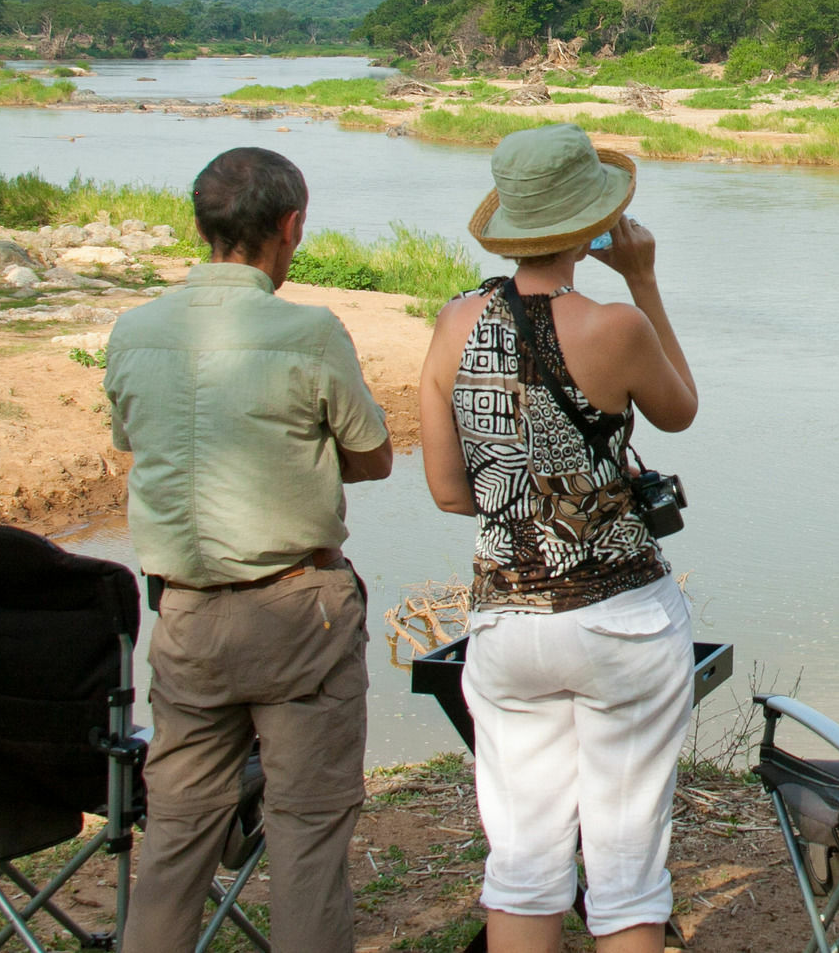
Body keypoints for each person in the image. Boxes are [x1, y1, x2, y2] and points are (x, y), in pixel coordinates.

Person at [418, 125, 699, 953]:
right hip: (623, 619)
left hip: (508, 620)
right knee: (626, 867)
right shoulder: (616, 325)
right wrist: (644, 280)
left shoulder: (452, 324)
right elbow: (679, 409)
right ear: (589, 228)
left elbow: (446, 491)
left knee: (525, 862)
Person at [105, 147, 393, 953]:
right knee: (307, 831)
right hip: (300, 613)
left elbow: (132, 436)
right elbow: (372, 455)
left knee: (175, 834)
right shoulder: (309, 330)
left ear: (201, 226)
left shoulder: (135, 329)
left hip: (186, 616)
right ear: (290, 226)